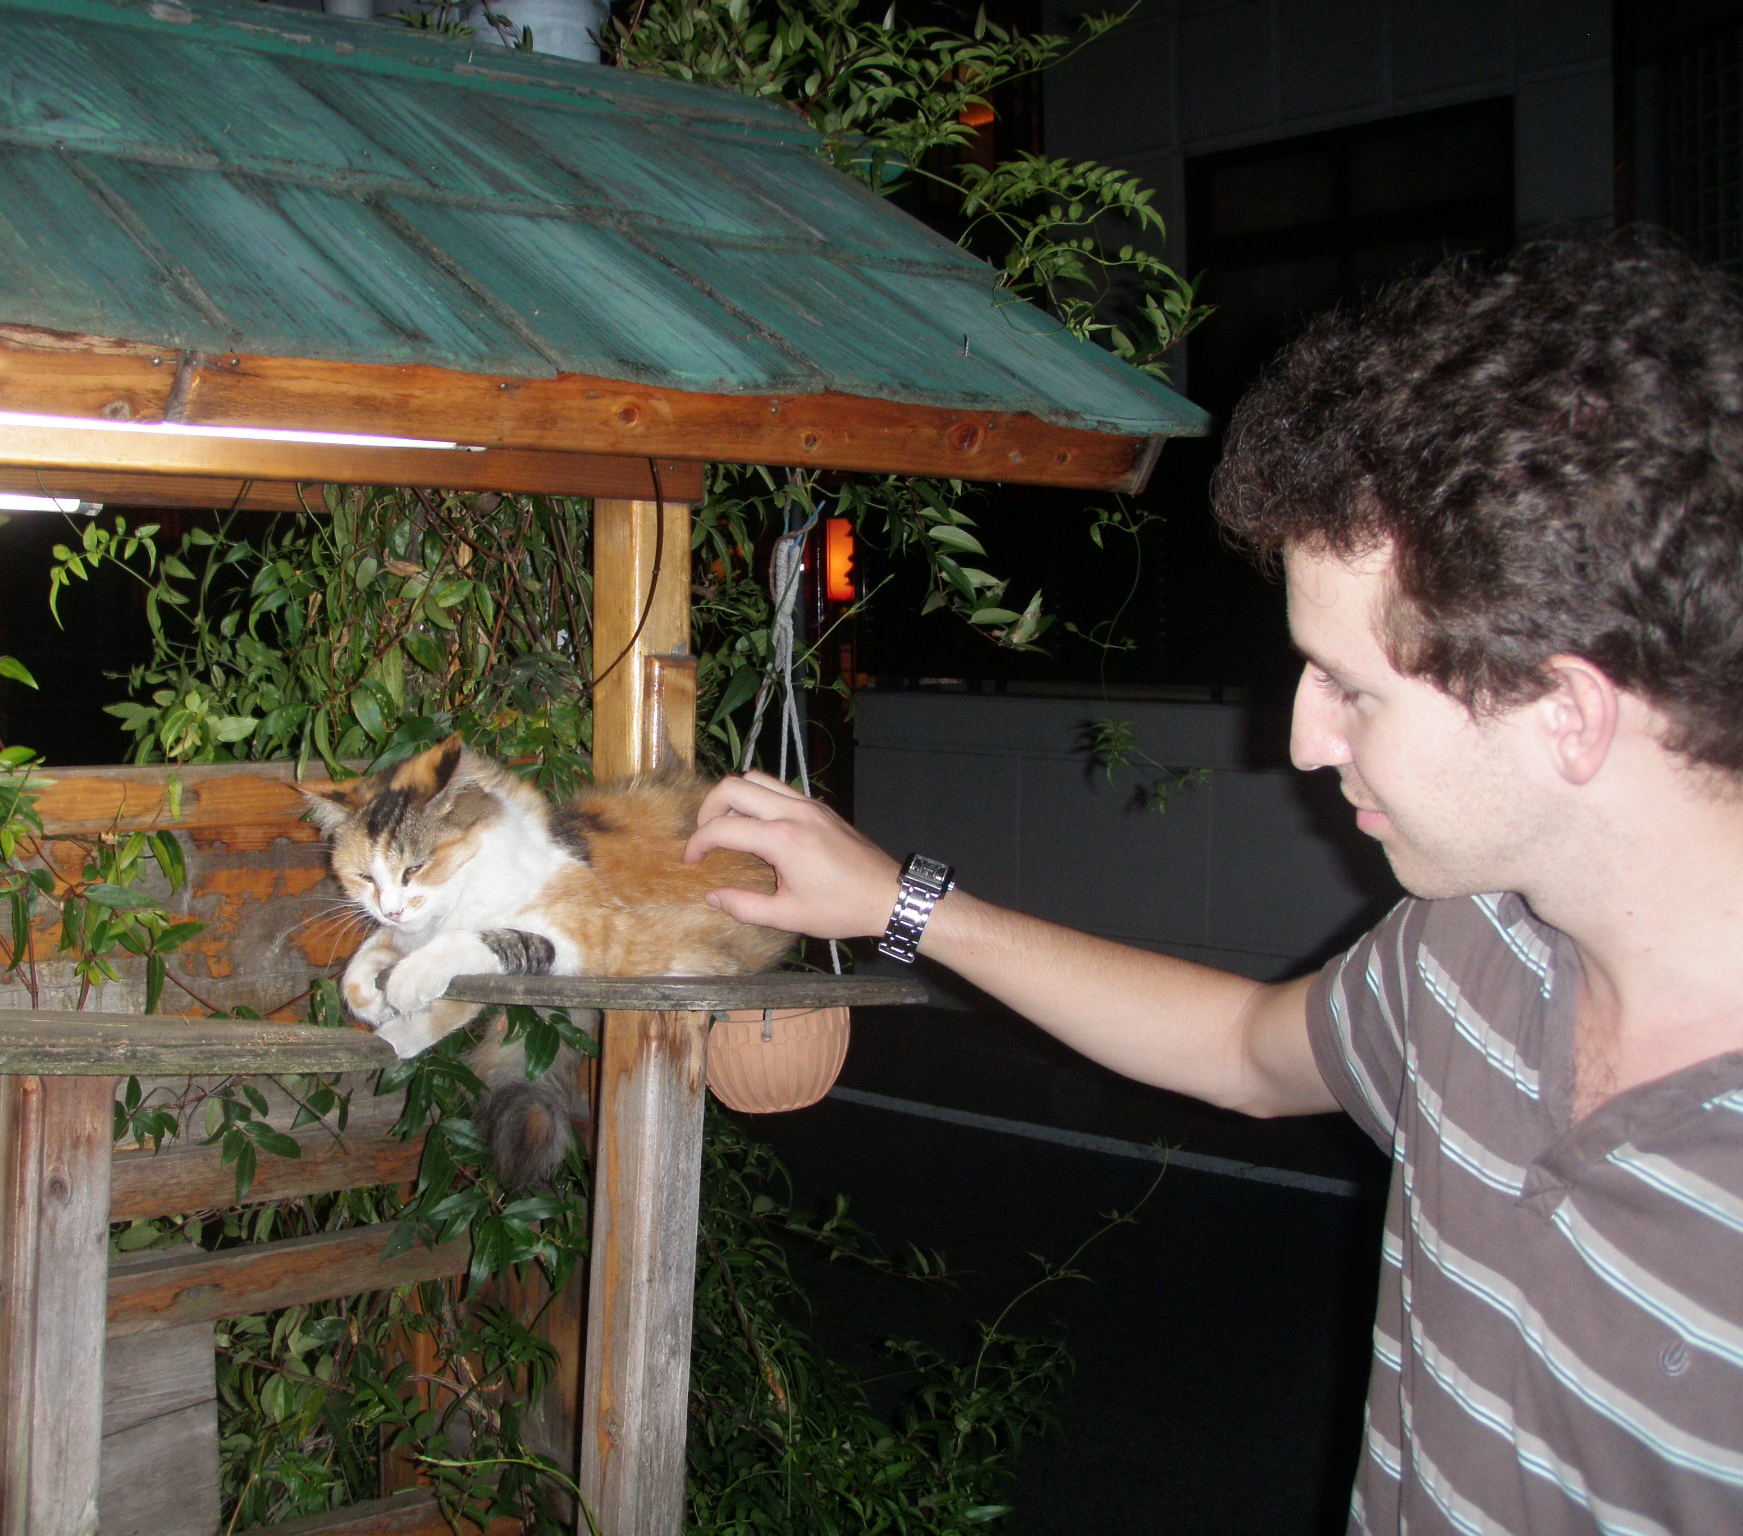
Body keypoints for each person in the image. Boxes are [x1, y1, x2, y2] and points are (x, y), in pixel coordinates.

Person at [684, 234, 1743, 1535]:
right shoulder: (1470, 947)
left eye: (1352, 687)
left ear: (1567, 714)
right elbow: (1244, 1048)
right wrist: (898, 904)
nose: (1302, 740)